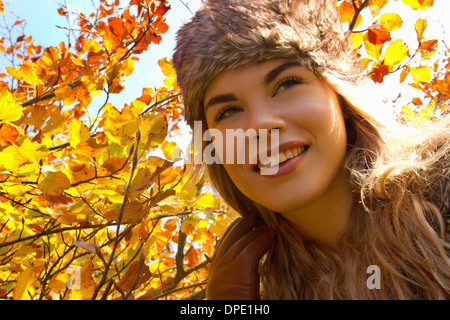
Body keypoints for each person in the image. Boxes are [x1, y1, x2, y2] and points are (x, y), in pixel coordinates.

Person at [172, 0, 450, 299]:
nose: (260, 125)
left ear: (340, 94)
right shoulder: (259, 289)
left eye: (287, 83)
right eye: (227, 111)